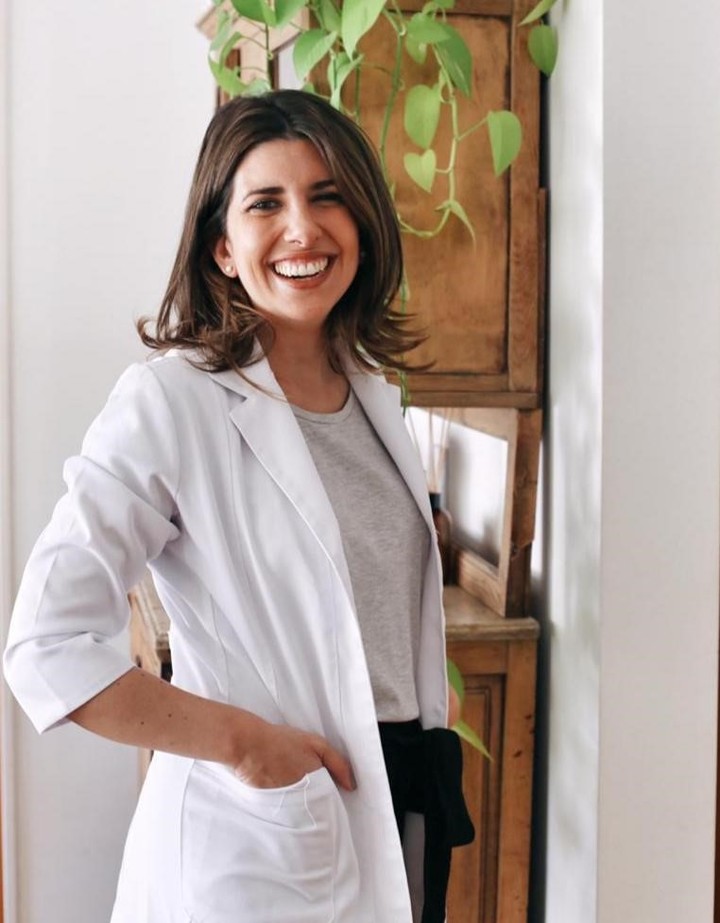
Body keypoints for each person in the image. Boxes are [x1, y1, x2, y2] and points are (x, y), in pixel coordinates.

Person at [4, 89, 472, 923]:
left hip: (390, 803)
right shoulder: (172, 401)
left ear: (363, 224)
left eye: (327, 197)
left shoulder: (372, 395)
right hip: (255, 850)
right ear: (222, 246)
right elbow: (45, 644)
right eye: (266, 204)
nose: (303, 229)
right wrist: (246, 744)